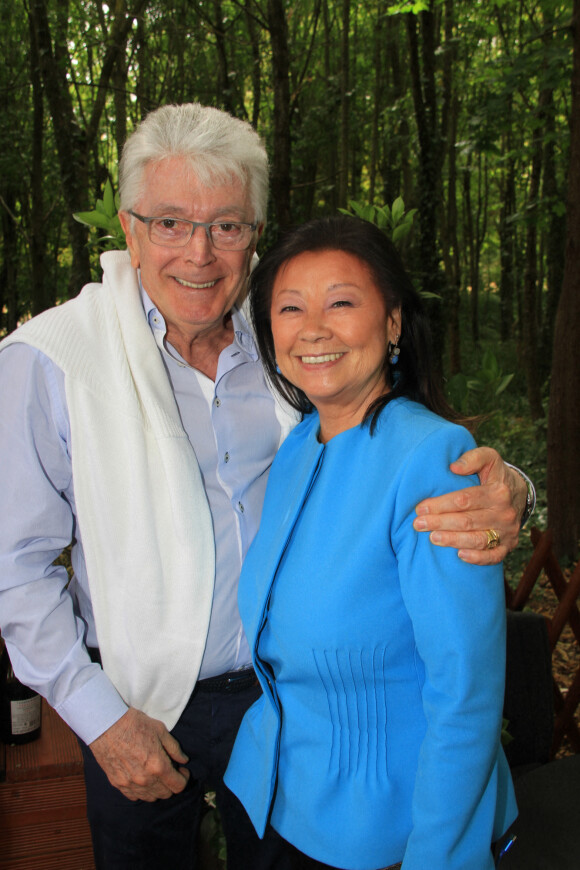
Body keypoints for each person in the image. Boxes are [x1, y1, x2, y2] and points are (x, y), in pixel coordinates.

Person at [0, 104, 526, 869]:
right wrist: (101, 720)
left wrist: (510, 484)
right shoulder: (50, 360)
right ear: (128, 227)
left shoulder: (285, 337)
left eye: (228, 225)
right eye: (171, 222)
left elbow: (400, 452)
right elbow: (14, 571)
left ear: (256, 232)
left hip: (295, 715)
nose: (200, 253)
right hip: (137, 702)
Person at [224, 214, 518, 870]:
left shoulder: (431, 458)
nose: (314, 328)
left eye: (342, 302)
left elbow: (465, 688)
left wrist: (439, 857)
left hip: (383, 829)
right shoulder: (300, 445)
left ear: (392, 324)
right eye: (291, 307)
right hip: (271, 792)